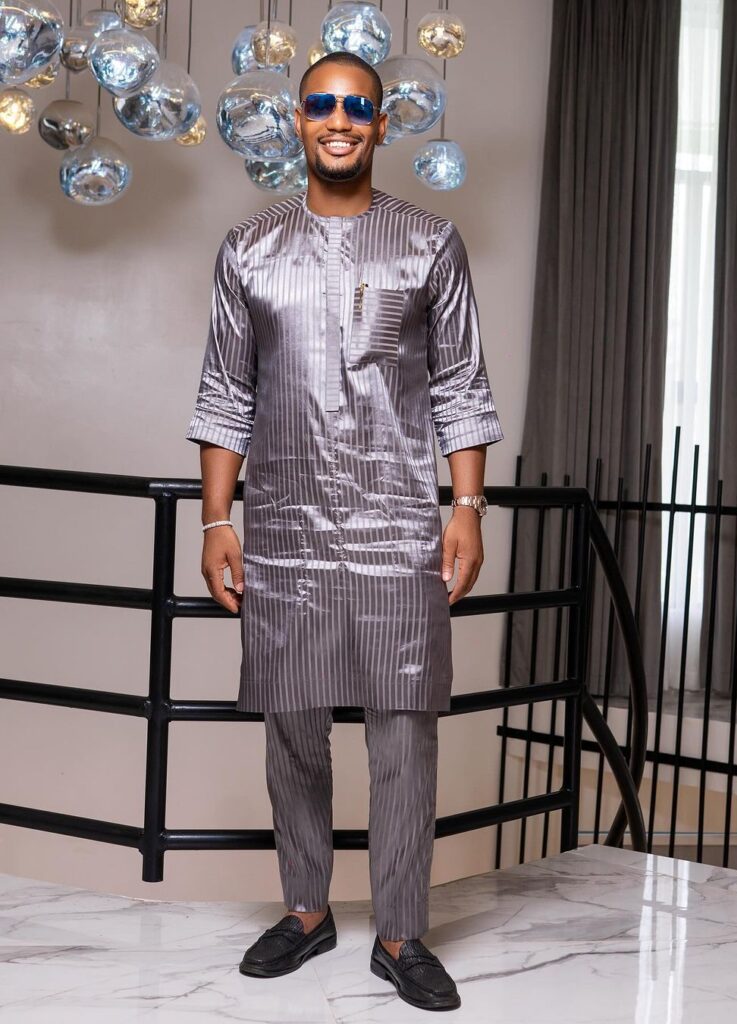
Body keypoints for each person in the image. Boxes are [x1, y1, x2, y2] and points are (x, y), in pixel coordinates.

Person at [185, 50, 504, 1012]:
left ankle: (400, 933)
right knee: (293, 730)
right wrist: (216, 519)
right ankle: (306, 911)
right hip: (283, 528)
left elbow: (460, 386)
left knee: (404, 734)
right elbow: (225, 392)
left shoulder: (428, 243)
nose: (337, 120)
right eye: (321, 104)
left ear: (380, 124)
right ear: (296, 119)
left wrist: (465, 509)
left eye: (356, 108)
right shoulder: (249, 248)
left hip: (399, 526)